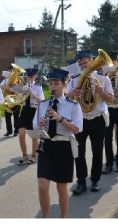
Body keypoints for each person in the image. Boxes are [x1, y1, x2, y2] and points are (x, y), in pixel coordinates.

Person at [34, 68, 82, 218]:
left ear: (64, 84)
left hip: (64, 146)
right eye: (50, 84)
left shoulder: (73, 105)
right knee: (42, 186)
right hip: (46, 145)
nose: (53, 87)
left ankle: (62, 218)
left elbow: (77, 129)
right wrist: (40, 126)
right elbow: (34, 127)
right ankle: (45, 218)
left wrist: (59, 118)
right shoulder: (42, 105)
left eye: (56, 84)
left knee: (61, 188)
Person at [66, 50, 114, 195]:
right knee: (79, 153)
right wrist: (71, 94)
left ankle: (95, 179)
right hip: (80, 119)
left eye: (85, 63)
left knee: (97, 151)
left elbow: (111, 100)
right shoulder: (74, 79)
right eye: (80, 64)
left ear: (92, 61)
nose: (82, 66)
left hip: (97, 119)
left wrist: (101, 92)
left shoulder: (103, 78)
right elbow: (66, 99)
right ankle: (81, 182)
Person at [16, 68, 44, 165]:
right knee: (21, 134)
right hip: (24, 111)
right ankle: (24, 155)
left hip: (34, 111)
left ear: (35, 77)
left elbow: (41, 101)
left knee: (34, 136)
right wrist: (21, 94)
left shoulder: (38, 87)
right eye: (28, 77)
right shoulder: (23, 86)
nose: (30, 78)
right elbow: (18, 100)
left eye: (32, 76)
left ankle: (33, 156)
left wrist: (32, 93)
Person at [0, 67, 21, 137]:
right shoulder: (6, 79)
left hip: (16, 99)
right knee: (7, 116)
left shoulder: (18, 79)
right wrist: (5, 87)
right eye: (10, 71)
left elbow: (20, 89)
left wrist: (12, 89)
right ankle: (9, 131)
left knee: (16, 116)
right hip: (7, 100)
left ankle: (16, 131)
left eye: (12, 71)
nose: (11, 72)